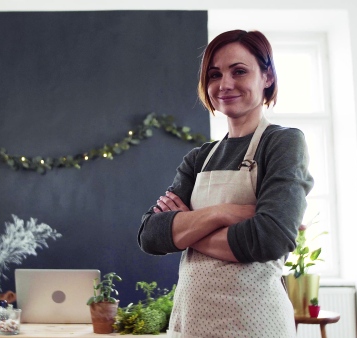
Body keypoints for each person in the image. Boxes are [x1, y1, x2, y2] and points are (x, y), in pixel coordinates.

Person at [137, 29, 314, 338]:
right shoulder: (198, 158)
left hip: (255, 325)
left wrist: (185, 229)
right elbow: (150, 235)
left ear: (267, 77)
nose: (225, 84)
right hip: (190, 324)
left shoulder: (283, 143)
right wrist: (226, 213)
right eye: (215, 74)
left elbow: (269, 238)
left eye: (239, 71)